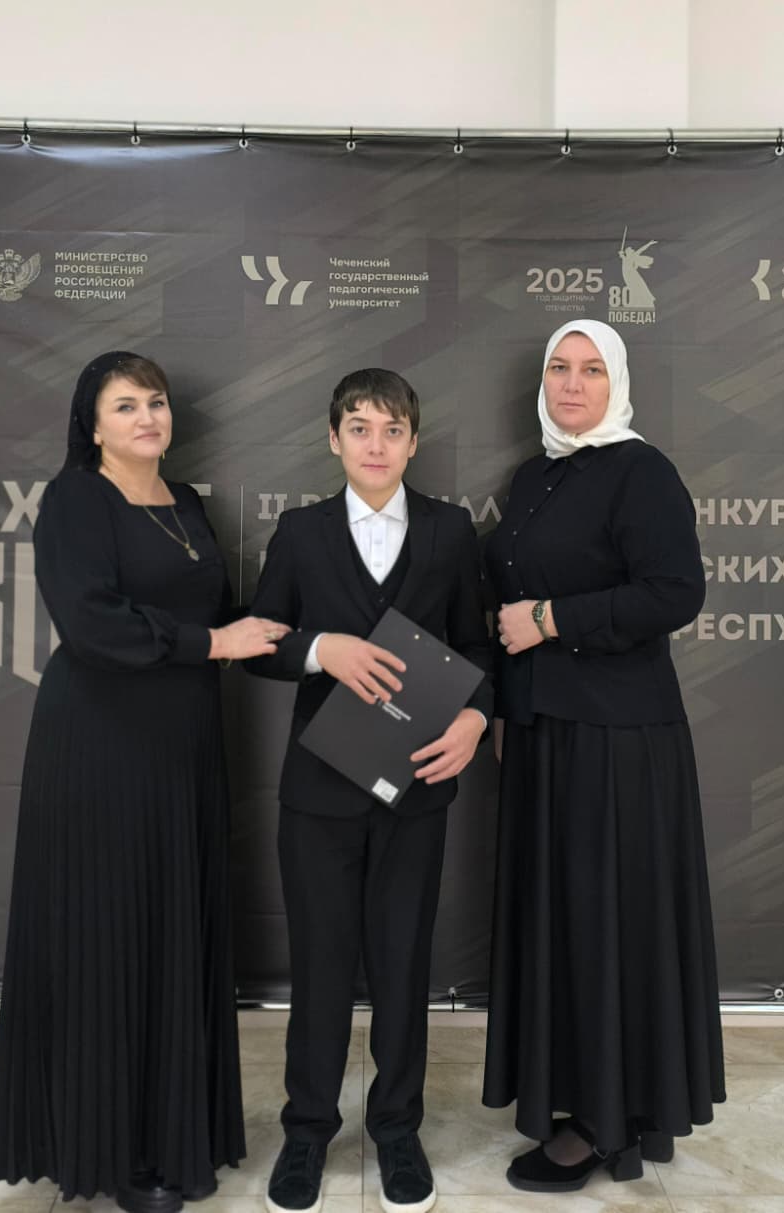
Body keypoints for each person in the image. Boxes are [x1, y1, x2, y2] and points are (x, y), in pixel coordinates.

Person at [0, 351, 290, 1213]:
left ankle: (173, 1130)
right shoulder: (75, 499)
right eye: (125, 405)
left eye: (155, 402)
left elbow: (221, 614)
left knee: (170, 931)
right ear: (93, 423)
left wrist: (305, 630)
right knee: (110, 936)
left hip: (182, 748)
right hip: (101, 747)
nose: (148, 417)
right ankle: (112, 1148)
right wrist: (213, 644)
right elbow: (92, 623)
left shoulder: (185, 501)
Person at [482, 319, 725, 1191]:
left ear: (616, 382)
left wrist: (553, 619)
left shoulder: (640, 470)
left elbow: (675, 591)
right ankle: (580, 1096)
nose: (572, 384)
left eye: (591, 369)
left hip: (618, 744)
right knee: (567, 925)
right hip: (547, 736)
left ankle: (605, 1123)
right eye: (559, 367)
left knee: (606, 923)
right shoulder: (534, 476)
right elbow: (505, 608)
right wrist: (507, 711)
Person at [244, 368, 492, 1213]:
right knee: (319, 966)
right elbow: (262, 641)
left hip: (416, 788)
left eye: (392, 429)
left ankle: (396, 1127)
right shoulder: (301, 531)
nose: (375, 444)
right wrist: (324, 650)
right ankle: (307, 1130)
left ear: (414, 442)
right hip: (318, 794)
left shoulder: (451, 531)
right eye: (359, 427)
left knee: (402, 963)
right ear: (334, 438)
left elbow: (476, 648)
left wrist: (477, 718)